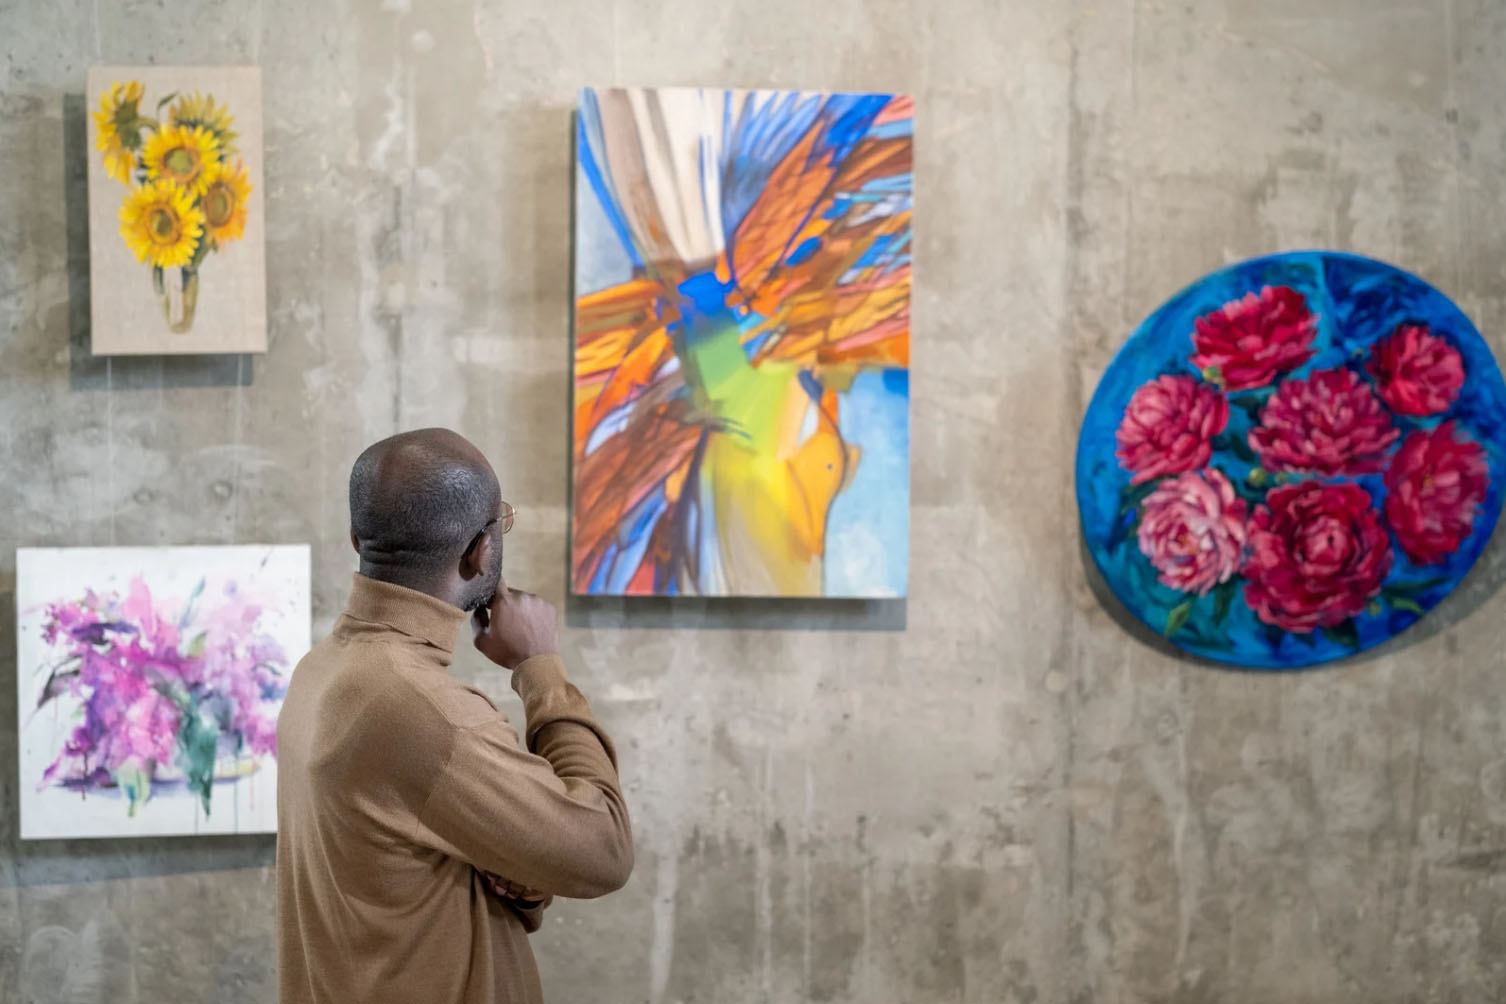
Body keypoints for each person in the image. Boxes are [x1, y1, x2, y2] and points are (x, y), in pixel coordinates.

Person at [276, 428, 633, 1004]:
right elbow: (604, 850)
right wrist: (540, 667)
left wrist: (520, 870)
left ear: (355, 537)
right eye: (502, 522)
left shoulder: (319, 671)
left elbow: (417, 864)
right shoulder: (430, 717)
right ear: (480, 551)